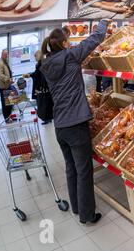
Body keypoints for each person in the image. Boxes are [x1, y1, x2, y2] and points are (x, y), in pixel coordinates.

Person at [40, 19, 110, 225]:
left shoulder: (47, 64)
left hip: (60, 125)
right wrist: (103, 23)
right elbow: (94, 39)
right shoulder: (70, 56)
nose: (70, 43)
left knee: (70, 168)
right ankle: (87, 215)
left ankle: (77, 207)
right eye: (68, 40)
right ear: (63, 44)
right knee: (84, 171)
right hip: (76, 124)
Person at [24, 50, 53, 124]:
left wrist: (30, 75)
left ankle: (47, 118)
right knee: (46, 103)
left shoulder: (40, 64)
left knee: (44, 103)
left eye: (35, 56)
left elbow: (37, 74)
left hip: (42, 86)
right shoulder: (43, 63)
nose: (35, 58)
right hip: (45, 86)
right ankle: (48, 118)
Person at [0, 49, 14, 122]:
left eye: (7, 54)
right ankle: (7, 118)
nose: (7, 56)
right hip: (4, 87)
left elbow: (6, 72)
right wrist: (8, 79)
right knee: (5, 104)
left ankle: (9, 117)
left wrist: (10, 79)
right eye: (5, 55)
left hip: (8, 86)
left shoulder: (5, 62)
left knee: (9, 103)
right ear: (2, 54)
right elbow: (0, 75)